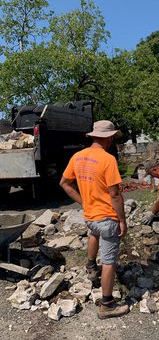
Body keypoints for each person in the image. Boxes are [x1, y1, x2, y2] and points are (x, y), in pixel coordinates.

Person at [59, 120, 129, 319]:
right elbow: (115, 194)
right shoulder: (108, 160)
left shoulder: (78, 157)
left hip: (90, 216)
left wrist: (84, 202)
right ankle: (107, 304)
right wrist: (122, 220)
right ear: (108, 138)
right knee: (109, 262)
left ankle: (90, 266)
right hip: (107, 218)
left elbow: (64, 183)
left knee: (93, 233)